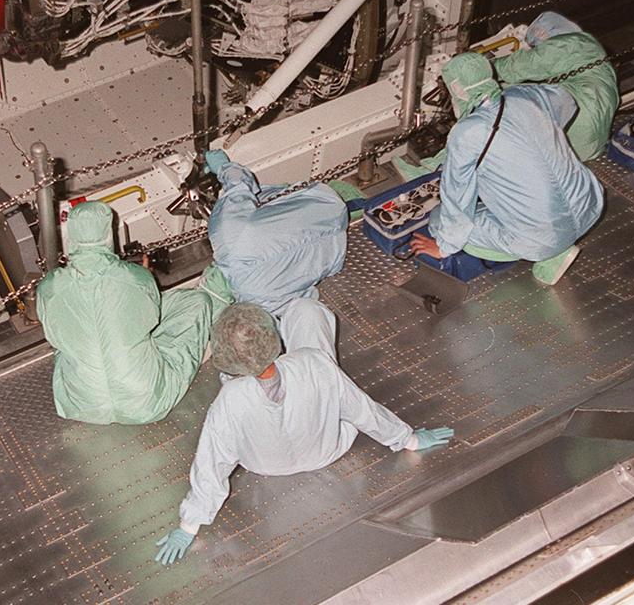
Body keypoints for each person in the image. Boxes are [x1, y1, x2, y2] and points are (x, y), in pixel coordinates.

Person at [153, 300, 454, 566]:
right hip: (327, 449)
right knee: (306, 310)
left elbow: (211, 464)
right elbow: (363, 411)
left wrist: (188, 526)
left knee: (296, 335)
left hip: (265, 464)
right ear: (273, 339)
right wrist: (409, 438)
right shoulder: (314, 364)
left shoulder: (228, 402)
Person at [408, 52, 604, 286]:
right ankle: (558, 242)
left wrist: (444, 246)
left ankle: (552, 253)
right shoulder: (527, 95)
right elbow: (566, 101)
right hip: (590, 205)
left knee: (440, 220)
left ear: (457, 91)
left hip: (543, 239)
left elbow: (457, 198)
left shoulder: (467, 133)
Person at [36, 202, 232, 426]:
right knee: (197, 301)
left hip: (81, 404)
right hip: (146, 403)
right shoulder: (132, 278)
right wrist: (144, 275)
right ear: (109, 234)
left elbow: (53, 331)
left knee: (70, 342)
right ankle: (210, 331)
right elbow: (152, 315)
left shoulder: (49, 287)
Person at [203, 149, 348, 314]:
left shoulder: (260, 304)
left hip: (336, 251)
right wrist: (223, 167)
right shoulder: (225, 238)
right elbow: (239, 184)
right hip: (323, 199)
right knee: (253, 200)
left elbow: (307, 295)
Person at [492, 11, 619, 162]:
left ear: (542, 33)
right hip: (590, 145)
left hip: (575, 130)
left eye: (535, 46)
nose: (535, 48)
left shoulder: (567, 44)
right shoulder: (587, 45)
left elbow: (520, 67)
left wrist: (478, 68)